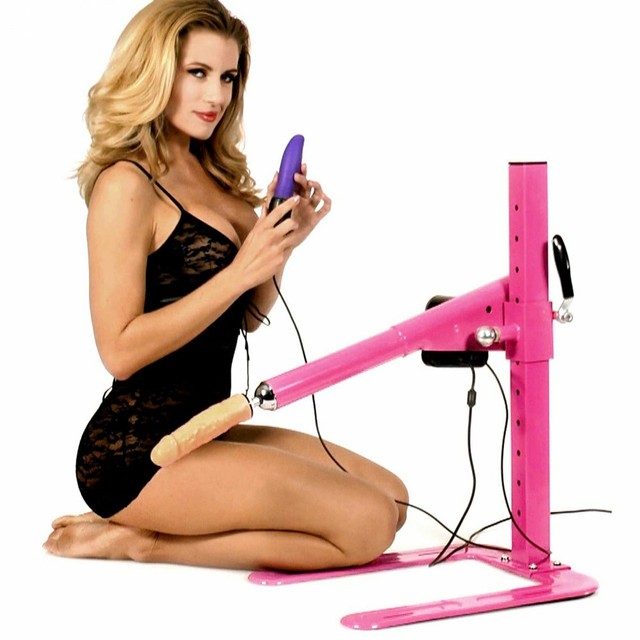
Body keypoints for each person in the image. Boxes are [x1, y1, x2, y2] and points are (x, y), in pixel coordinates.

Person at [44, 0, 409, 572]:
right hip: (138, 456)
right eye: (197, 73)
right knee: (365, 523)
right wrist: (241, 269)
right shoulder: (127, 184)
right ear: (155, 72)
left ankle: (163, 526)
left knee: (394, 501)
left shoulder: (214, 178)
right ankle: (140, 541)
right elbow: (119, 350)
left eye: (228, 77)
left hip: (207, 428)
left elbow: (247, 317)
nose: (215, 94)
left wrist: (281, 245)